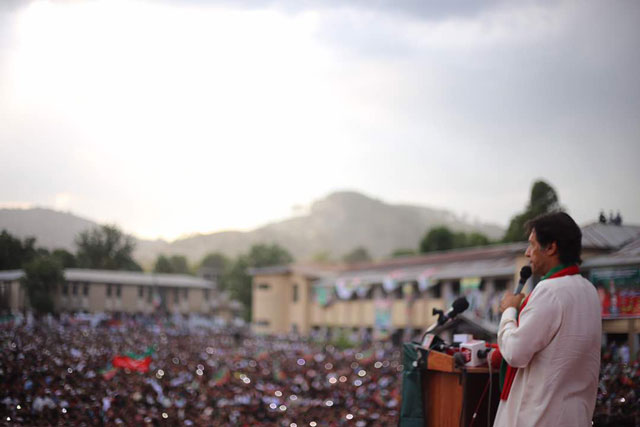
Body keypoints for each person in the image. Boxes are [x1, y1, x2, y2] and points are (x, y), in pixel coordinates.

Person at [493, 212, 601, 427]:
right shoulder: (588, 290)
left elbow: (515, 352)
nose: (527, 253)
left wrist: (509, 311)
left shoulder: (549, 290)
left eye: (532, 245)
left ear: (551, 248)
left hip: (540, 417)